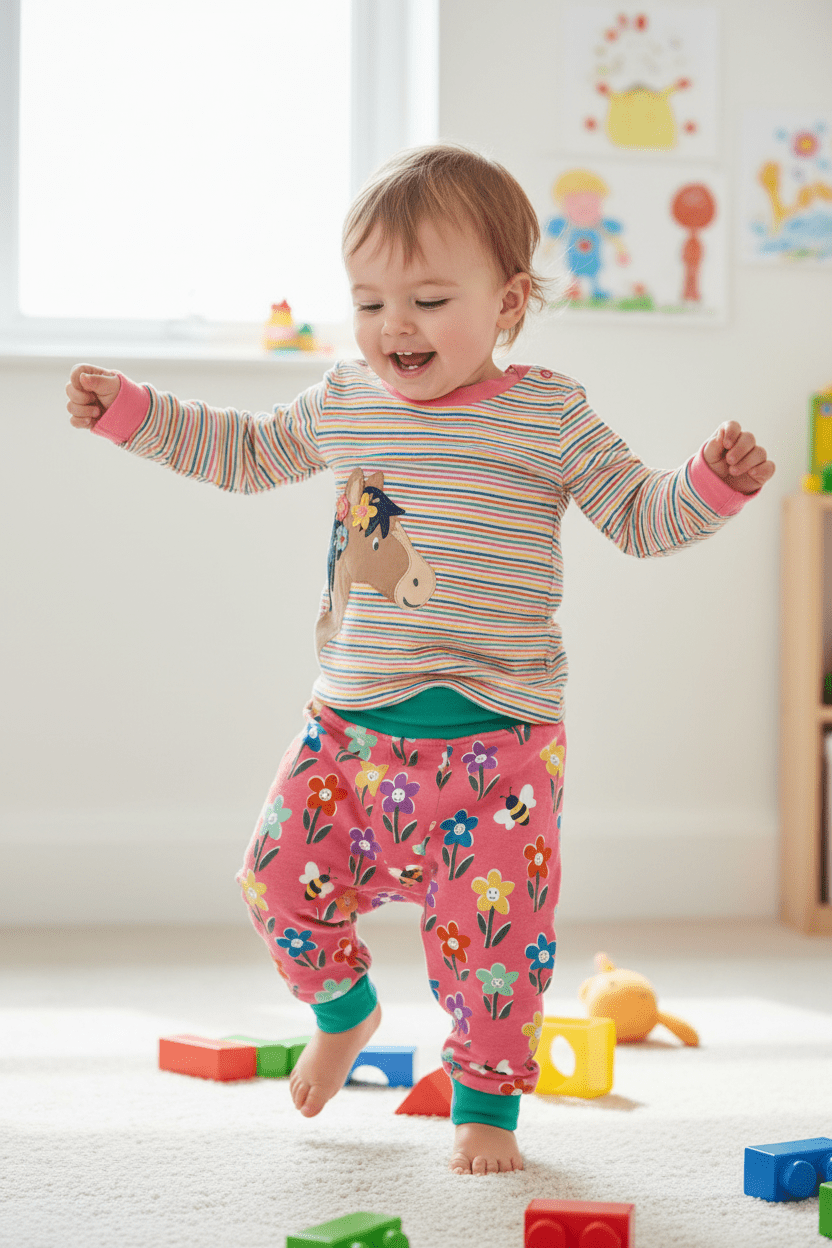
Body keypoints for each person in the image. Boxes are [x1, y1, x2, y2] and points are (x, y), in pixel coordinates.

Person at [65, 143, 775, 1176]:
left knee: (494, 953)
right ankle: (342, 1012)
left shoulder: (549, 415)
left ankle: (486, 1106)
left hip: (500, 753)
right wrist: (132, 413)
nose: (394, 325)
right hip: (348, 732)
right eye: (368, 301)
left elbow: (639, 518)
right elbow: (242, 451)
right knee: (276, 880)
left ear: (508, 302)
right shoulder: (347, 400)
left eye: (429, 298)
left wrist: (710, 485)